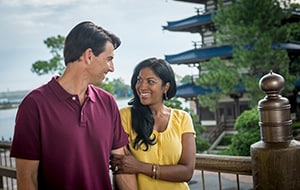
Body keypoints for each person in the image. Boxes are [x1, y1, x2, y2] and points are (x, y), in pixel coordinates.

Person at [10, 21, 137, 190]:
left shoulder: (107, 102)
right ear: (89, 55)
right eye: (109, 59)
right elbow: (27, 179)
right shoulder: (34, 105)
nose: (112, 68)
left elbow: (121, 167)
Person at [111, 57, 196, 190]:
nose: (142, 86)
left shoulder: (183, 119)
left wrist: (140, 167)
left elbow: (187, 171)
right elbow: (121, 165)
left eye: (150, 81)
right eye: (139, 80)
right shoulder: (125, 116)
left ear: (165, 87)